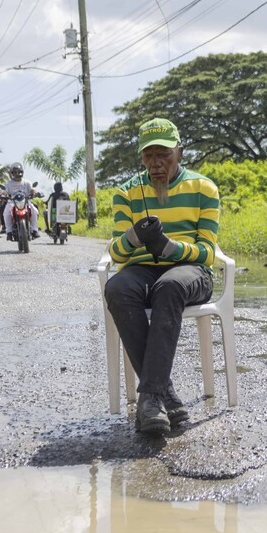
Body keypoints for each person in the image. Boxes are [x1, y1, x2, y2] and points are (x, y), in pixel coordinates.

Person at [103, 118, 220, 435]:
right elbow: (117, 254)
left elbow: (208, 253)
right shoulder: (127, 192)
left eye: (164, 155)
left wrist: (169, 247)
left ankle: (151, 398)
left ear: (179, 152)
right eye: (148, 156)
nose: (155, 164)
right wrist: (134, 237)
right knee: (117, 288)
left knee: (169, 286)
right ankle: (163, 396)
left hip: (190, 273)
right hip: (141, 269)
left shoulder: (203, 188)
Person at [2, 162, 41, 240]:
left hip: (25, 202)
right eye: (15, 172)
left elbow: (32, 190)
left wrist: (36, 193)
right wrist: (3, 195)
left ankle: (34, 230)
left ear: (22, 172)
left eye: (19, 172)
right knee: (6, 213)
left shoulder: (27, 182)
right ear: (12, 173)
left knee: (35, 211)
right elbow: (4, 192)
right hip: (12, 202)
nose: (17, 173)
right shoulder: (8, 184)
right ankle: (9, 232)